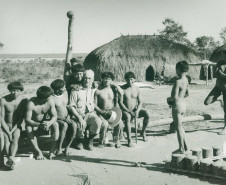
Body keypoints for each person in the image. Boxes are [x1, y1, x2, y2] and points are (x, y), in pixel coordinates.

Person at [68, 70, 107, 151]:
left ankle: (89, 140)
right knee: (80, 127)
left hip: (90, 114)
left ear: (93, 79)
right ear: (82, 78)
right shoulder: (75, 90)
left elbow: (107, 81)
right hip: (78, 115)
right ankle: (80, 140)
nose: (87, 80)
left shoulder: (93, 88)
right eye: (85, 78)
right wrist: (79, 118)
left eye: (89, 78)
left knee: (98, 122)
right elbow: (71, 106)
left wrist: (117, 87)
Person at [25, 86, 59, 160]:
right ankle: (38, 152)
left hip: (45, 123)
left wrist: (49, 123)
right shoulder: (31, 103)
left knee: (56, 124)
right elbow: (27, 120)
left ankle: (51, 151)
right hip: (34, 124)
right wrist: (38, 125)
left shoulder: (50, 101)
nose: (51, 97)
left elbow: (55, 116)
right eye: (49, 96)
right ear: (43, 98)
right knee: (28, 128)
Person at [0, 81, 27, 169]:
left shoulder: (23, 101)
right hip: (5, 125)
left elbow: (20, 118)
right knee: (6, 140)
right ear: (9, 90)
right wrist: (8, 132)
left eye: (17, 91)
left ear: (21, 91)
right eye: (12, 90)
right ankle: (9, 158)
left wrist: (12, 130)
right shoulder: (3, 100)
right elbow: (1, 118)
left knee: (15, 137)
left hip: (16, 125)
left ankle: (12, 157)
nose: (15, 93)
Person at [120, 72, 150, 147]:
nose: (130, 81)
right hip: (125, 111)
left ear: (134, 80)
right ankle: (129, 139)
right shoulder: (122, 89)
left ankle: (143, 132)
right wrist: (128, 111)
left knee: (147, 113)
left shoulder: (137, 89)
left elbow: (140, 102)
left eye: (131, 79)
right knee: (128, 117)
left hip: (135, 110)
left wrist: (138, 111)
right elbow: (120, 103)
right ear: (125, 80)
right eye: (128, 80)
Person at [94, 72, 124, 148]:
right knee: (105, 124)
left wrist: (117, 112)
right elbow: (94, 104)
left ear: (111, 80)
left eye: (109, 79)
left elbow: (121, 95)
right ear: (102, 79)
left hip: (112, 112)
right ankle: (101, 141)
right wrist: (101, 112)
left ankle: (116, 140)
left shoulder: (114, 90)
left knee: (119, 123)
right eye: (105, 79)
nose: (106, 81)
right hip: (101, 112)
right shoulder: (98, 91)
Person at [167, 61, 189, 154]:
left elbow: (174, 97)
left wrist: (168, 99)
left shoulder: (178, 81)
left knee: (178, 127)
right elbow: (187, 94)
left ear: (179, 69)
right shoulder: (186, 80)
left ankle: (181, 148)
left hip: (177, 106)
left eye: (176, 69)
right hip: (183, 104)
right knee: (181, 127)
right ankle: (186, 146)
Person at [50, 79, 77, 155]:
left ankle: (67, 147)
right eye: (63, 87)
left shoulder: (65, 93)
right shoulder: (51, 98)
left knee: (74, 126)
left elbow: (68, 107)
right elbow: (51, 114)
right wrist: (62, 119)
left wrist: (68, 117)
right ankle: (59, 148)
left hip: (67, 117)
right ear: (58, 89)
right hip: (57, 118)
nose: (65, 88)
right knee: (64, 125)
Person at [204, 59, 226, 135]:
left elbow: (220, 74)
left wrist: (220, 72)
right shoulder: (220, 62)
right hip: (218, 87)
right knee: (207, 102)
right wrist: (220, 73)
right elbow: (215, 74)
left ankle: (225, 127)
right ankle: (219, 99)